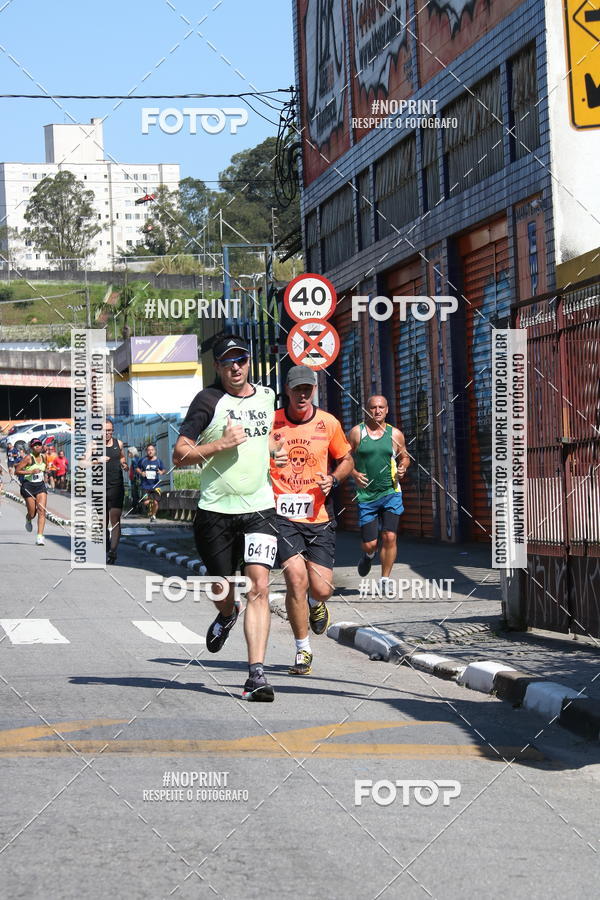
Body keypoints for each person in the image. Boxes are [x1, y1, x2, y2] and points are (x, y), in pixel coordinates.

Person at [173, 332, 287, 702]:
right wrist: (219, 444)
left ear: (249, 362)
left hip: (260, 508)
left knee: (260, 587)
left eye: (241, 360)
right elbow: (180, 453)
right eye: (227, 362)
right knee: (222, 589)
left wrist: (275, 451)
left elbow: (264, 437)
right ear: (218, 367)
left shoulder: (268, 396)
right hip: (216, 511)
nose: (235, 367)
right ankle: (226, 613)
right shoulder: (208, 401)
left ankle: (256, 674)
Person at [270, 365, 353, 676]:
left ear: (314, 390)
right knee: (295, 578)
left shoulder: (327, 423)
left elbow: (346, 459)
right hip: (283, 515)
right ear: (288, 391)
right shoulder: (273, 423)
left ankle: (317, 604)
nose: (302, 394)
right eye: (297, 389)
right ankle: (303, 649)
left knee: (321, 588)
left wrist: (334, 478)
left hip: (318, 515)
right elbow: (257, 459)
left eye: (308, 389)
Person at [348, 395, 410, 586]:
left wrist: (403, 467)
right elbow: (344, 458)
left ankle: (385, 579)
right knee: (370, 543)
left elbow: (405, 456)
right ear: (367, 410)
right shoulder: (356, 433)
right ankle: (369, 555)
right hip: (367, 495)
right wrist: (353, 473)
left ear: (387, 410)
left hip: (390, 492)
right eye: (373, 407)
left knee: (390, 535)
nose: (377, 411)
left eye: (381, 407)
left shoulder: (395, 434)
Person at [15, 438, 49, 545]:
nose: (38, 446)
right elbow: (17, 471)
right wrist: (31, 471)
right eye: (35, 445)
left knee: (42, 510)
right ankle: (28, 518)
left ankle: (39, 537)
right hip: (28, 486)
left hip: (40, 486)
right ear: (31, 447)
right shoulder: (28, 458)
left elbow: (44, 468)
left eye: (39, 444)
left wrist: (46, 472)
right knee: (32, 513)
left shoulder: (44, 457)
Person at [104, 420, 128, 564]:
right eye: (105, 430)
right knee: (103, 521)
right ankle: (106, 541)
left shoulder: (118, 443)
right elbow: (82, 462)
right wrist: (96, 460)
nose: (107, 433)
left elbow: (122, 457)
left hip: (116, 485)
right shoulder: (94, 445)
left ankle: (113, 552)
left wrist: (124, 464)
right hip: (99, 486)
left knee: (115, 519)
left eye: (109, 430)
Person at [137, 444, 165, 522]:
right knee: (145, 502)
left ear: (155, 451)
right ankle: (150, 508)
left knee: (156, 502)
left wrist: (161, 472)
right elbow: (137, 468)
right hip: (145, 486)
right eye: (149, 450)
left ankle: (153, 515)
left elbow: (163, 470)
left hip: (156, 485)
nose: (150, 451)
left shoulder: (158, 461)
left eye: (152, 450)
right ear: (146, 451)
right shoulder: (143, 460)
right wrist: (141, 473)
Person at [127, 446, 141, 512]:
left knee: (135, 494)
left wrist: (135, 478)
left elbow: (136, 469)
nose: (128, 454)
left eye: (129, 453)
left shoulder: (134, 460)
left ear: (132, 453)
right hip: (135, 479)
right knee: (135, 494)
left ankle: (135, 509)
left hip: (135, 479)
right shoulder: (137, 459)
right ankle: (136, 508)